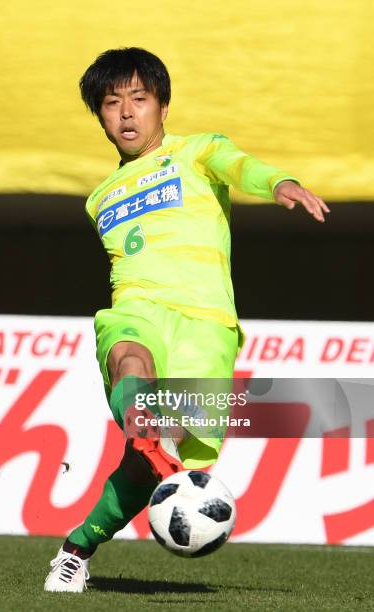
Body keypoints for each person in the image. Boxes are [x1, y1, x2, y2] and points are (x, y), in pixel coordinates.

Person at [44, 47, 329, 592]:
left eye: (139, 99)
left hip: (207, 324)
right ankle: (146, 424)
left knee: (148, 465)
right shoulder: (99, 198)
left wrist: (278, 184)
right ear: (100, 117)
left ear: (163, 107)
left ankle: (78, 544)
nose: (126, 113)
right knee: (131, 357)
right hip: (137, 308)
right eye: (111, 103)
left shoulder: (199, 151)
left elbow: (242, 166)